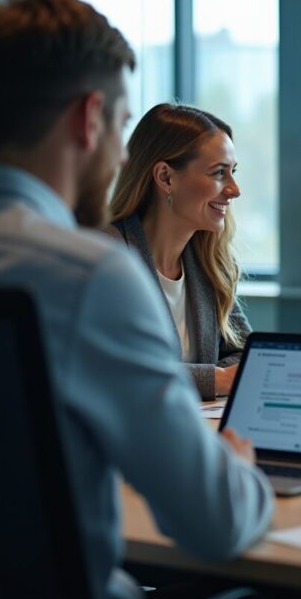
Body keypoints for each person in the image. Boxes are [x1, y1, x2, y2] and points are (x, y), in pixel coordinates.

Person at [0, 0, 273, 599]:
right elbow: (215, 521)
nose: (122, 153)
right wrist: (238, 468)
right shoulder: (91, 274)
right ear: (89, 118)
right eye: (121, 123)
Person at [108, 103, 247, 401]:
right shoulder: (108, 257)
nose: (235, 189)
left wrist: (213, 378)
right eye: (219, 173)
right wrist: (217, 378)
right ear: (165, 177)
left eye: (233, 172)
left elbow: (245, 354)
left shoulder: (211, 262)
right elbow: (121, 367)